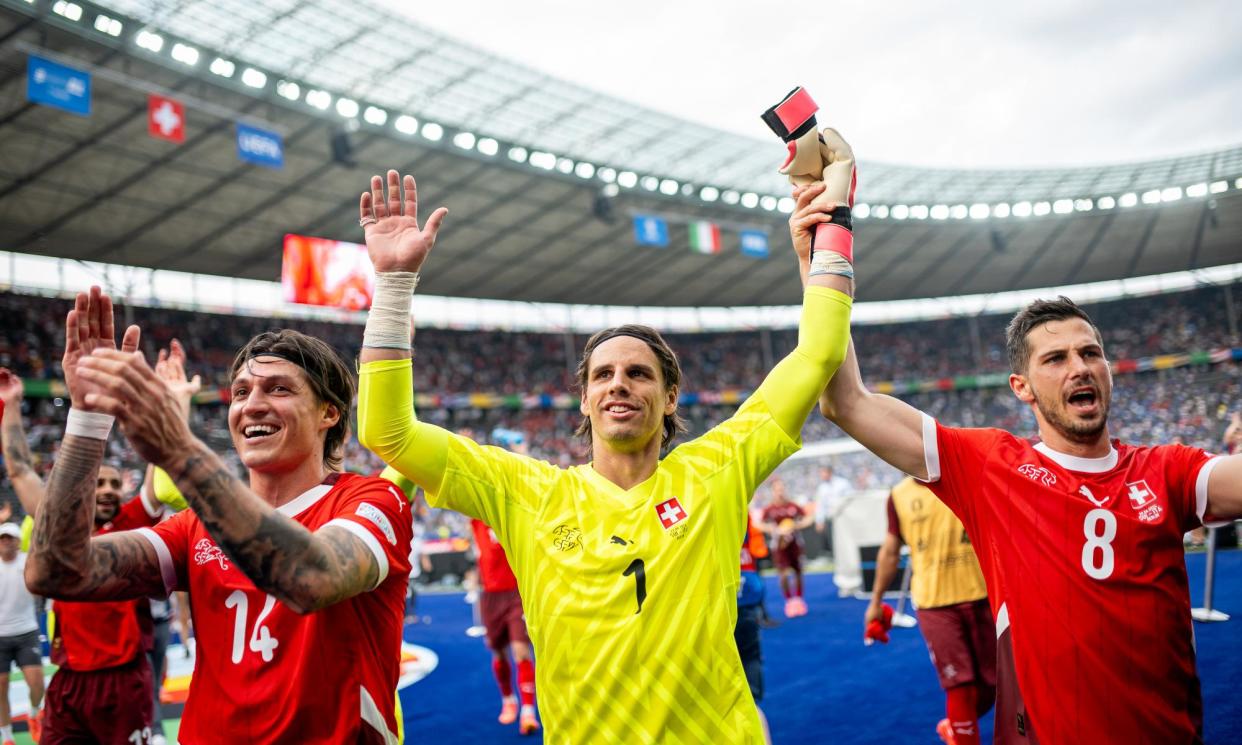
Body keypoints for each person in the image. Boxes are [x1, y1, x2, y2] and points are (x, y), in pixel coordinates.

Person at [355, 155, 855, 741]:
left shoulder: (717, 468)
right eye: (603, 375)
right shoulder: (526, 493)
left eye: (639, 374)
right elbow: (387, 432)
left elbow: (818, 354)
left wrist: (833, 224)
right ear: (585, 400)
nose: (619, 383)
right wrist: (392, 286)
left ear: (670, 399)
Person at [819, 290, 1242, 743]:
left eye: (1090, 353)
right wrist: (825, 262)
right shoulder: (991, 466)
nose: (1079, 367)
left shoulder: (1168, 470)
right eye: (1056, 358)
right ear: (1022, 387)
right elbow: (847, 403)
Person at [25, 288, 414, 744]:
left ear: (329, 412)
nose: (251, 405)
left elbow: (313, 578)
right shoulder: (194, 525)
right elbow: (56, 571)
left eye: (279, 389)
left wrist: (178, 449)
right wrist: (87, 420)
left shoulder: (372, 499)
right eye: (242, 392)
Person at [3, 360, 172, 745]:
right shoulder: (61, 525)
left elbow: (158, 464)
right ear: (82, 488)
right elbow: (19, 472)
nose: (110, 490)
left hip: (124, 680)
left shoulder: (134, 521)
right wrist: (10, 404)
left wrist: (161, 402)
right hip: (69, 681)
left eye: (116, 483)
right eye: (100, 482)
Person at [865, 476, 995, 745]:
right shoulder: (899, 495)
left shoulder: (966, 477)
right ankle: (963, 734)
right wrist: (875, 602)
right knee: (958, 684)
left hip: (982, 595)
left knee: (994, 683)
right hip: (934, 604)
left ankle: (955, 728)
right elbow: (890, 551)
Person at [470, 517, 539, 734]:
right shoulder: (477, 520)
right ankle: (509, 699)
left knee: (521, 651)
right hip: (490, 596)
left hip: (516, 593)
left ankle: (528, 711)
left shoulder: (510, 515)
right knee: (498, 652)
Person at [0, 519, 42, 745]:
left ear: (18, 542)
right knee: (1, 687)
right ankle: (7, 737)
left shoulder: (29, 563)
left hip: (27, 632)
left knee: (37, 685)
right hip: (0, 637)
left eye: (10, 538)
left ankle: (34, 714)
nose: (6, 542)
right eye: (2, 538)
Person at [758, 478, 814, 617]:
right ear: (772, 492)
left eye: (782, 489)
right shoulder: (769, 509)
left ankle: (799, 600)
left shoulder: (793, 506)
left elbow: (809, 518)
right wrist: (773, 529)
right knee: (782, 574)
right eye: (777, 490)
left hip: (795, 544)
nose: (780, 492)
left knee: (798, 572)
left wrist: (796, 525)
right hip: (779, 546)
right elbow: (758, 523)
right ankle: (789, 601)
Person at [812, 464, 851, 557]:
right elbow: (820, 506)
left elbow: (849, 499)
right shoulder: (822, 488)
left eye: (823, 472)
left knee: (844, 538)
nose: (821, 475)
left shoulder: (843, 483)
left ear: (829, 472)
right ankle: (834, 556)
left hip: (843, 517)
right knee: (832, 539)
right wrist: (819, 520)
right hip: (830, 519)